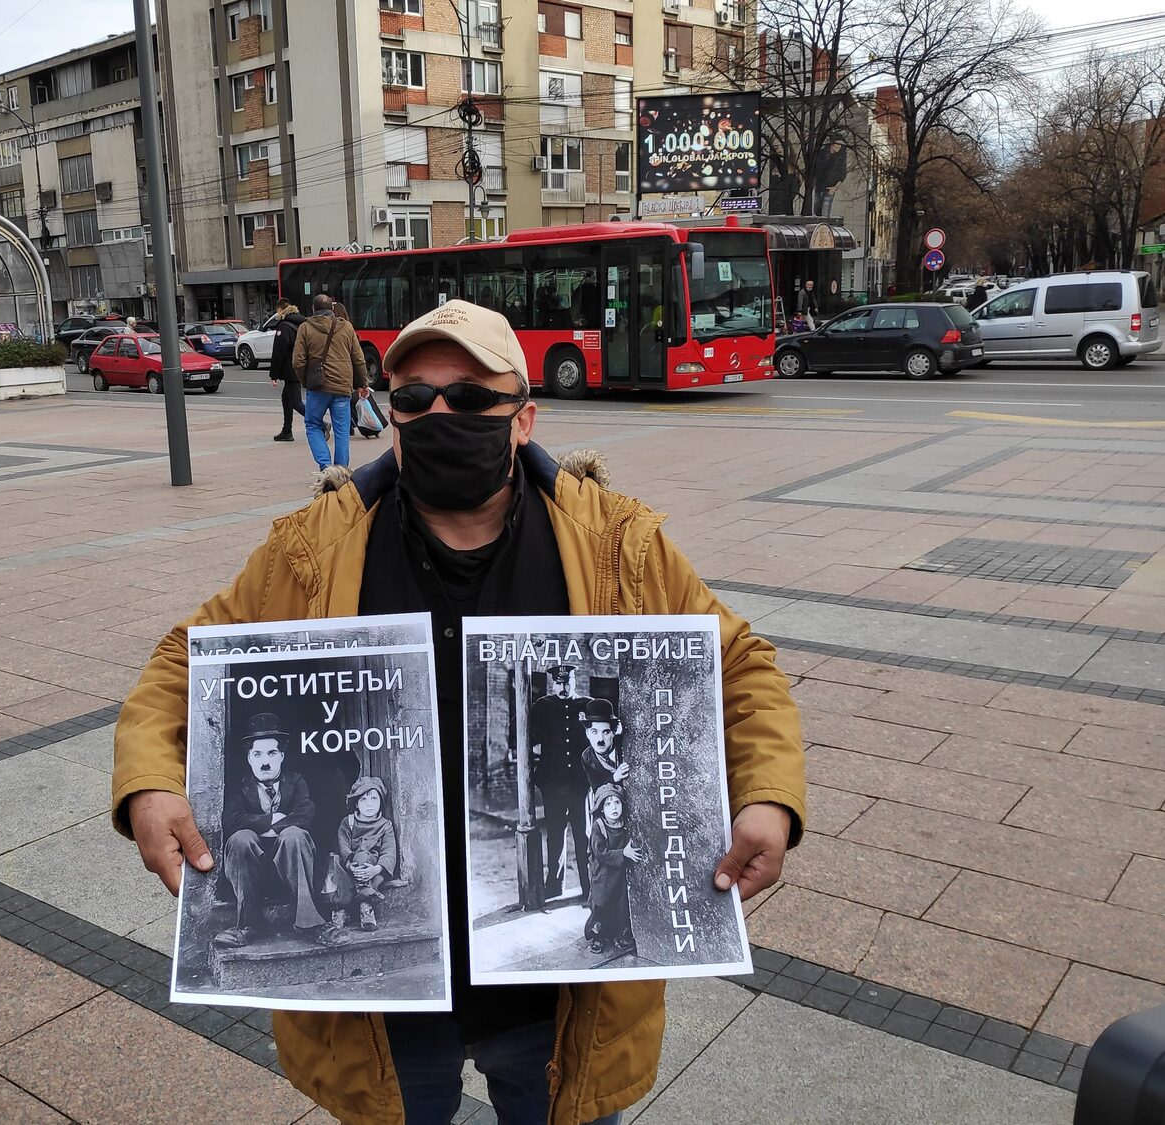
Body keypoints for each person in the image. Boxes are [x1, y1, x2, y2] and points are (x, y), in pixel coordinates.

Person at [113, 298, 806, 1124]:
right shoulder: (313, 547)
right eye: (413, 399)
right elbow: (182, 660)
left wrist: (769, 795)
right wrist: (150, 783)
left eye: (473, 398)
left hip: (562, 1008)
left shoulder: (618, 543)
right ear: (392, 417)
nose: (442, 415)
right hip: (390, 1016)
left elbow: (739, 662)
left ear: (523, 418)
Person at [215, 711, 336, 949]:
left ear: (282, 755)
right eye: (257, 754)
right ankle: (247, 924)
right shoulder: (240, 786)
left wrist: (279, 828)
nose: (265, 761)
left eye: (271, 753)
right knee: (240, 839)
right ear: (249, 758)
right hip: (252, 874)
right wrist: (270, 821)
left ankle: (309, 922)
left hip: (293, 871)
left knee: (294, 834)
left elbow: (306, 814)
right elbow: (231, 820)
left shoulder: (296, 780)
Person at [529, 663, 593, 902]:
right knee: (554, 834)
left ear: (575, 682)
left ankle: (588, 887)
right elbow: (523, 726)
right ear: (553, 683)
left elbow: (606, 725)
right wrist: (534, 744)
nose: (563, 688)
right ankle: (554, 886)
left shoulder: (587, 704)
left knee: (583, 835)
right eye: (559, 683)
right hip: (553, 783)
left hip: (579, 783)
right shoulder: (543, 706)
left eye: (567, 683)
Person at [292, 293, 368, 474]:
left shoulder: (305, 328)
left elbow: (297, 361)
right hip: (342, 386)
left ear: (313, 309)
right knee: (342, 431)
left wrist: (306, 380)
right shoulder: (346, 327)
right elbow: (358, 358)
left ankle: (326, 468)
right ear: (332, 309)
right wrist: (362, 382)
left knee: (312, 424)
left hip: (317, 386)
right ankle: (341, 471)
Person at [324, 774, 397, 932]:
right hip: (350, 870)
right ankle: (344, 910)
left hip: (372, 872)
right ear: (356, 804)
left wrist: (375, 870)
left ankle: (366, 907)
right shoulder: (348, 822)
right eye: (363, 800)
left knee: (365, 855)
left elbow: (389, 852)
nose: (369, 804)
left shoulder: (385, 825)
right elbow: (342, 846)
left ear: (381, 802)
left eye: (374, 799)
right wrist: (351, 866)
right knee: (338, 871)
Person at [584, 784, 641, 956]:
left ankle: (620, 935)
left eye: (617, 802)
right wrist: (623, 853)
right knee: (602, 905)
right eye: (607, 804)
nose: (613, 807)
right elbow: (600, 853)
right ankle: (598, 936)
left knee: (620, 905)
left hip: (619, 873)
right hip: (602, 874)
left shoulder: (625, 825)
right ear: (601, 809)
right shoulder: (598, 826)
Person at [268, 299, 307, 443]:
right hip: (301, 366)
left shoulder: (284, 326)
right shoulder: (303, 323)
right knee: (286, 399)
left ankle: (320, 424)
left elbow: (279, 352)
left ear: (279, 309)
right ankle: (286, 430)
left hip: (290, 370)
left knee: (296, 402)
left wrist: (274, 374)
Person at [579, 698, 628, 793]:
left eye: (606, 732)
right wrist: (614, 778)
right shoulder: (587, 757)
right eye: (594, 732)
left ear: (614, 732)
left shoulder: (625, 747)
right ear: (587, 733)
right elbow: (597, 788)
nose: (600, 739)